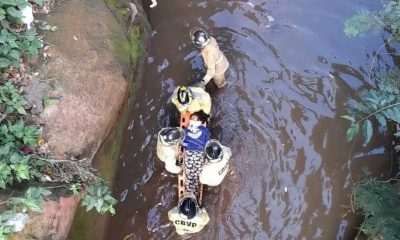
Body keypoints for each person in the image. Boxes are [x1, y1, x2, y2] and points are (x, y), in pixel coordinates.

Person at [181, 111, 210, 197]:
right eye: (191, 119)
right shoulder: (186, 130)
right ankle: (190, 195)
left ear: (200, 121)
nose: (191, 120)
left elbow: (206, 141)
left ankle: (193, 195)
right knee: (190, 175)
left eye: (193, 119)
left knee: (196, 175)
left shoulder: (204, 130)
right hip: (190, 154)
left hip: (199, 154)